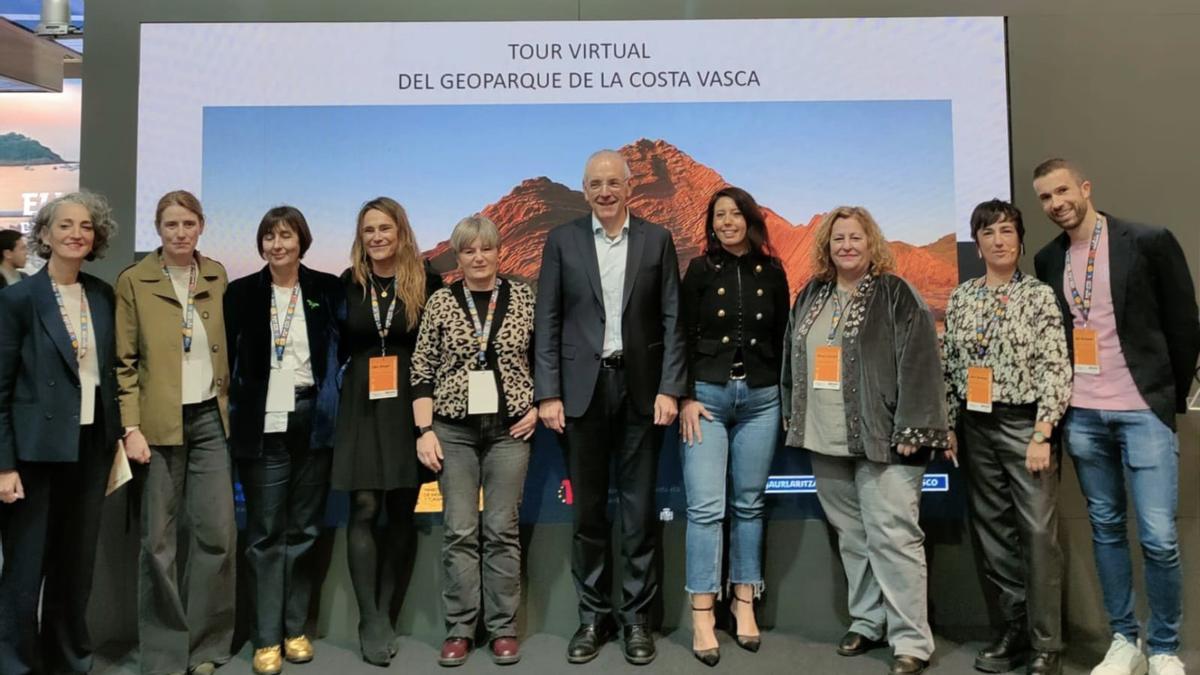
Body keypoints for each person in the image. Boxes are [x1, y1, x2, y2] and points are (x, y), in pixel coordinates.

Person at [1032, 159, 1199, 675]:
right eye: (1045, 197)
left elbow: (1184, 320)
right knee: (1105, 528)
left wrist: (1164, 398)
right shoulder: (1046, 259)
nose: (1056, 203)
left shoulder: (1147, 240)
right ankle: (1124, 640)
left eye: (1063, 190)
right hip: (1083, 415)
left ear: (1085, 188)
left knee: (1158, 536)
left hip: (1142, 411)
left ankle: (1165, 646)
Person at [534, 149, 687, 666]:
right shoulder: (562, 241)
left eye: (612, 182)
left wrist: (671, 387)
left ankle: (636, 621)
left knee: (640, 513)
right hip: (581, 392)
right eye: (595, 183)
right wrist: (548, 392)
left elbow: (672, 319)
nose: (604, 191)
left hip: (643, 392)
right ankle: (592, 618)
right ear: (584, 189)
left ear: (629, 187)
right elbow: (548, 321)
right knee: (589, 514)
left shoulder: (657, 240)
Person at [782, 206, 947, 675]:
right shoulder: (811, 294)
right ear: (827, 247)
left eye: (855, 237)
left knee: (894, 537)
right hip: (824, 436)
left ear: (871, 243)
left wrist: (914, 426)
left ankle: (911, 640)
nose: (847, 246)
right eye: (838, 239)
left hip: (886, 437)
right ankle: (868, 620)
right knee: (853, 538)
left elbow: (920, 361)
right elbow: (791, 360)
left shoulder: (897, 294)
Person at [942, 200, 1071, 675]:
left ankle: (1047, 644)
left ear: (1020, 239)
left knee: (1038, 534)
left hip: (1025, 427)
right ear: (976, 243)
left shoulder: (1038, 296)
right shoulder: (962, 297)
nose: (999, 240)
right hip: (975, 427)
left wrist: (1042, 432)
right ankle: (1013, 630)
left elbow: (1056, 367)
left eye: (1007, 231)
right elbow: (952, 367)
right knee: (994, 535)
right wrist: (951, 425)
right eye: (989, 232)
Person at [116, 189, 236, 675]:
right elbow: (123, 363)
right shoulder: (135, 281)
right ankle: (165, 654)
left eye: (188, 224)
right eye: (171, 225)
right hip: (157, 426)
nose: (180, 233)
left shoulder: (217, 275)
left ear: (201, 225)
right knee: (159, 543)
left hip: (211, 420)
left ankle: (206, 647)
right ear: (158, 229)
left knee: (216, 536)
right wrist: (130, 427)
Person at [0, 192, 121, 675]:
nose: (77, 233)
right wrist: (4, 463)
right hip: (33, 453)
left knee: (75, 568)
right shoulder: (17, 299)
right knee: (26, 571)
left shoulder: (101, 294)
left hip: (90, 446)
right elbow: (1, 387)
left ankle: (69, 659)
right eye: (66, 224)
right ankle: (15, 663)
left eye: (86, 226)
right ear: (45, 234)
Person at [412, 214, 537, 668]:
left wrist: (538, 405)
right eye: (468, 251)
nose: (478, 257)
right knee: (460, 530)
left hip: (509, 431)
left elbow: (543, 355)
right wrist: (425, 431)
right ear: (458, 257)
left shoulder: (523, 296)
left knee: (501, 530)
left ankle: (503, 627)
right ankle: (461, 628)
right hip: (453, 431)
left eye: (486, 248)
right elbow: (422, 370)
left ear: (499, 251)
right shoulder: (442, 302)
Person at [225, 206, 344, 675]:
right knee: (264, 533)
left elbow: (345, 351)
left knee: (305, 529)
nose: (278, 245)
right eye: (270, 237)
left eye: (286, 236)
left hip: (314, 417)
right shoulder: (241, 294)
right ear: (261, 245)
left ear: (302, 241)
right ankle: (265, 636)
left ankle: (295, 629)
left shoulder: (326, 289)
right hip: (261, 422)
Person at [677, 187, 789, 667]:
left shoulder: (773, 272)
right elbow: (679, 333)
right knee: (705, 508)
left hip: (762, 400)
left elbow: (784, 336)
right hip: (706, 398)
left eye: (734, 214)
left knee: (749, 504)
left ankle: (744, 604)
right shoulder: (700, 271)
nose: (727, 222)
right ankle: (703, 612)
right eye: (718, 215)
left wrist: (787, 397)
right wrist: (683, 395)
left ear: (749, 219)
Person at [331, 196, 442, 667]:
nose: (377, 237)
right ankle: (370, 618)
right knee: (364, 503)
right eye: (368, 229)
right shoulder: (348, 283)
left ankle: (389, 611)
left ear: (401, 231)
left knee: (400, 504)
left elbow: (433, 349)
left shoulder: (427, 281)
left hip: (409, 400)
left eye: (385, 228)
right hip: (360, 398)